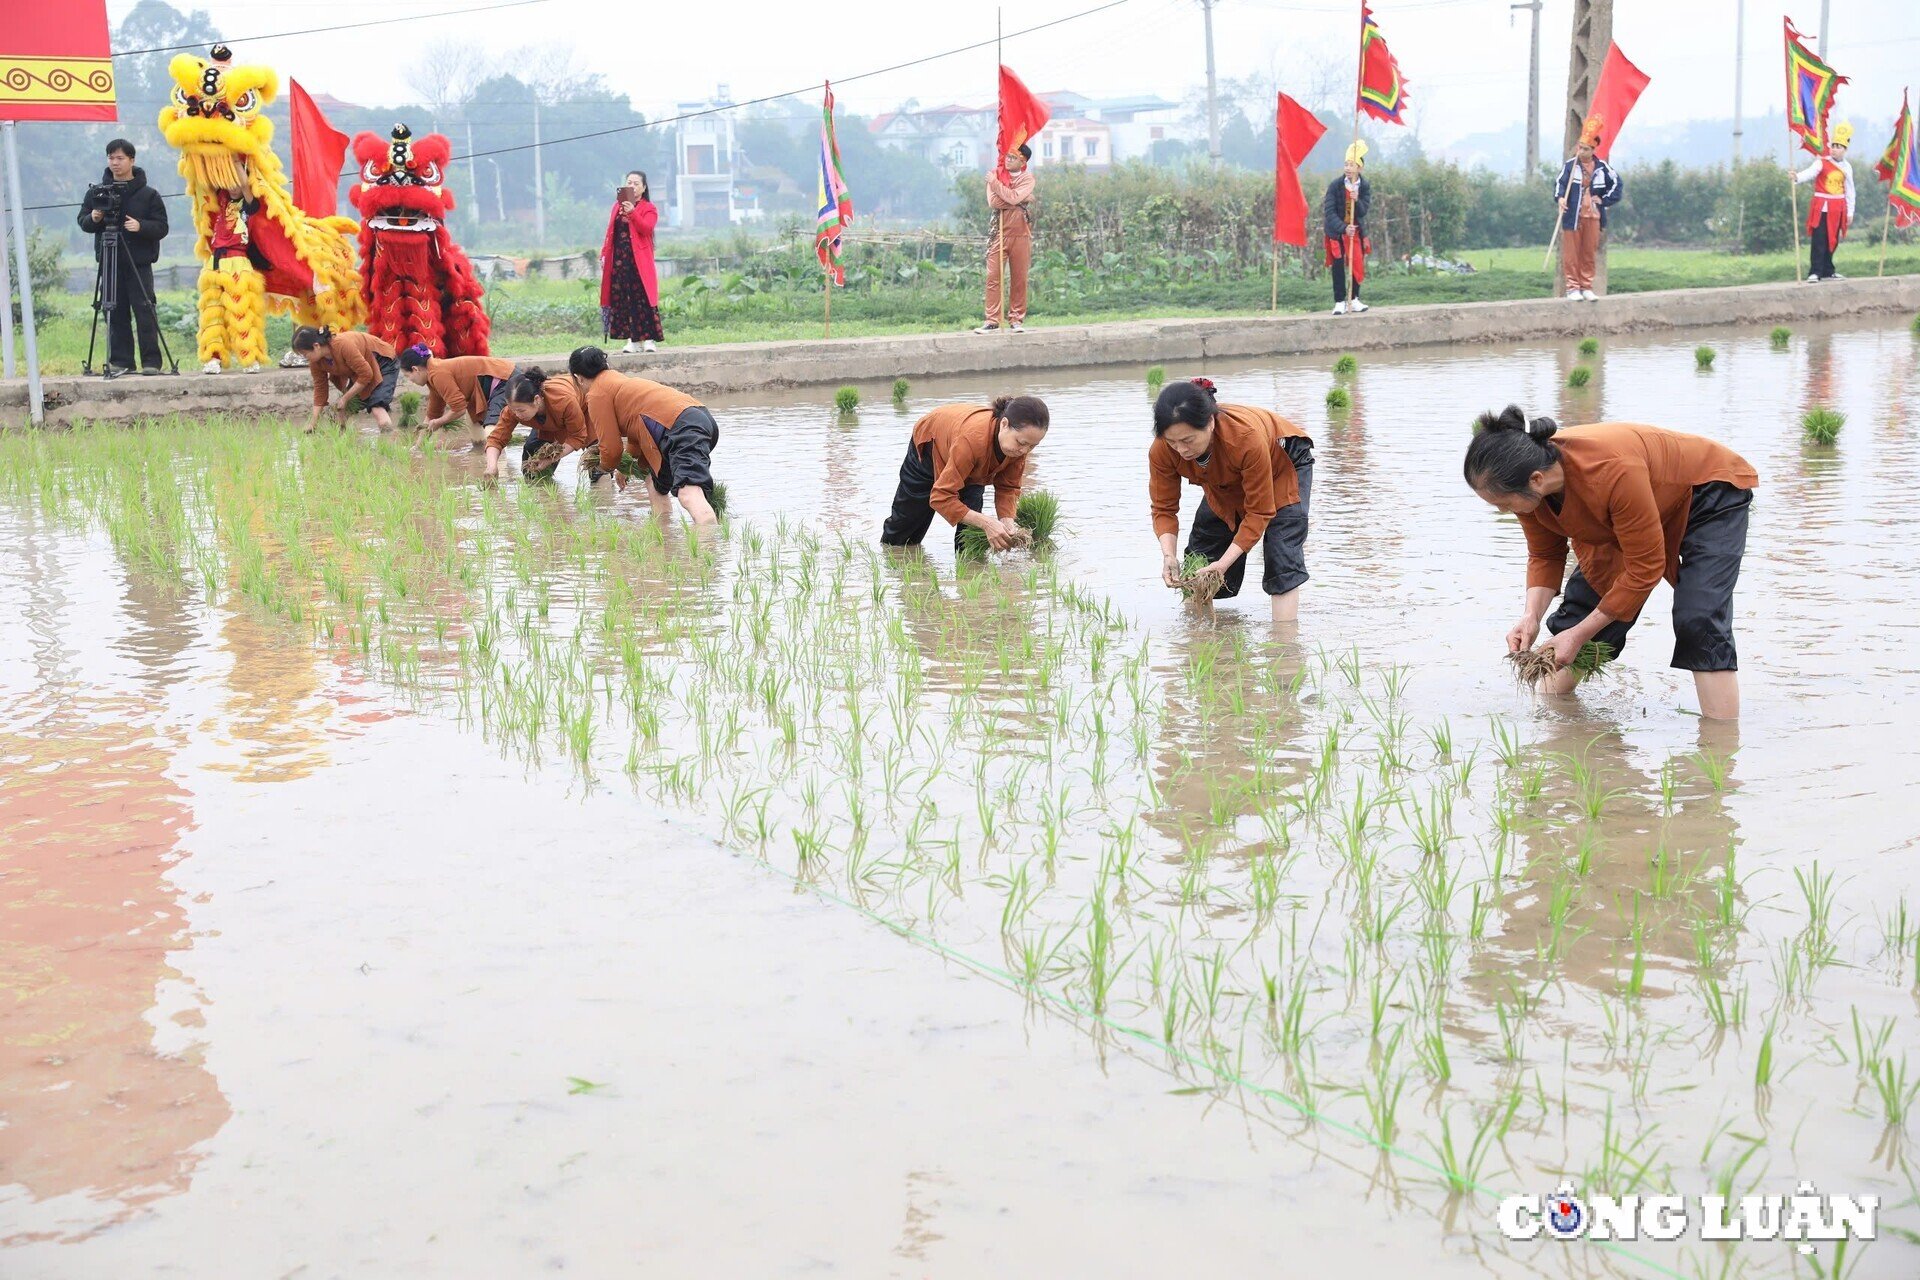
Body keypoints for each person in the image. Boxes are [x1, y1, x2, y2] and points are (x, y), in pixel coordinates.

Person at [1463, 406, 1758, 720]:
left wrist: (1579, 634)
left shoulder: (1612, 470)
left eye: (1503, 504)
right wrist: (1531, 616)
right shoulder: (1529, 487)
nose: (1503, 511)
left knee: (1699, 615)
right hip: (1630, 509)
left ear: (1535, 480)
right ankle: (1555, 725)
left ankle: (1721, 748)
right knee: (1580, 612)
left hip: (1707, 492)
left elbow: (1646, 568)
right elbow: (1545, 555)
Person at [1149, 378, 1314, 623]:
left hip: (1282, 462)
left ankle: (1285, 648)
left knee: (1282, 551)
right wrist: (1168, 556)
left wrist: (1223, 564)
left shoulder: (1244, 438)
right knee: (1202, 551)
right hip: (1225, 476)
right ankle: (1199, 641)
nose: (1181, 450)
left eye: (1187, 440)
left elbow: (1258, 513)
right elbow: (1164, 508)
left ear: (1210, 423)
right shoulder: (1163, 450)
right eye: (1173, 442)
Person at [566, 345, 720, 525]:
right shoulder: (618, 381)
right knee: (654, 482)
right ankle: (665, 533)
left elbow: (611, 449)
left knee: (687, 493)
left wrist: (603, 468)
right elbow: (637, 427)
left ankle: (710, 544)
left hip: (678, 427)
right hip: (699, 416)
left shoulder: (597, 393)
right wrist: (626, 466)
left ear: (578, 378)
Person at [880, 396, 1050, 550]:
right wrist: (987, 523)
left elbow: (1008, 487)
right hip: (930, 446)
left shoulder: (1017, 448)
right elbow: (940, 497)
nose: (1025, 450)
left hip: (973, 465)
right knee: (905, 529)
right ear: (1004, 424)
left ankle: (968, 576)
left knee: (970, 537)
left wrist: (1007, 520)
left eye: (1032, 446)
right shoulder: (971, 440)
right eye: (1022, 443)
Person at [76, 138, 169, 377]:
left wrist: (141, 226)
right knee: (113, 312)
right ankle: (122, 361)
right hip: (109, 261)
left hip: (139, 262)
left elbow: (161, 227)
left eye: (120, 158)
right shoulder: (97, 192)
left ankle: (151, 362)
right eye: (111, 158)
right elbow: (83, 222)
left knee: (145, 310)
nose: (115, 163)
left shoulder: (149, 195)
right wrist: (95, 218)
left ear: (131, 160)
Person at [1554, 116, 1624, 301]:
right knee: (1571, 254)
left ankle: (1586, 286)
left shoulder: (1602, 168)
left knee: (1588, 253)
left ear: (1593, 150)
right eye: (1580, 147)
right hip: (1573, 216)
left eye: (1585, 148)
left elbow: (1617, 185)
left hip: (1593, 215)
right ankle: (1572, 287)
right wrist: (1561, 198)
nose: (1581, 151)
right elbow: (1560, 184)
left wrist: (1603, 200)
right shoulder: (1570, 166)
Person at [487, 367, 591, 480]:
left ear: (537, 400)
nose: (516, 414)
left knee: (596, 463)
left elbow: (577, 436)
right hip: (549, 420)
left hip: (586, 409)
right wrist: (491, 467)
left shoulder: (564, 401)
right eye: (513, 409)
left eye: (521, 410)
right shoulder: (514, 409)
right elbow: (496, 438)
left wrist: (550, 459)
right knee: (531, 467)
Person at [974, 144, 1034, 335]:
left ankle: (1016, 319)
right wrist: (1019, 198)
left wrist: (1003, 190)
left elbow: (1014, 198)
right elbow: (994, 202)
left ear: (1023, 161)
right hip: (999, 233)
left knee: (1019, 278)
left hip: (1021, 234)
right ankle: (992, 320)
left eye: (1013, 158)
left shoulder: (1028, 179)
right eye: (1007, 156)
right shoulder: (996, 174)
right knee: (993, 277)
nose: (1007, 160)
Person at [601, 170, 663, 353]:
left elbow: (646, 229)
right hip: (620, 262)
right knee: (624, 301)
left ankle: (649, 339)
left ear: (643, 188)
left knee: (643, 299)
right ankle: (632, 340)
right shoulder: (616, 207)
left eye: (636, 183)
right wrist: (604, 254)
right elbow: (610, 233)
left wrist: (633, 212)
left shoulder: (649, 208)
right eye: (629, 182)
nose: (633, 186)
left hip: (640, 263)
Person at [293, 327, 397, 431]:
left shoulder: (343, 345)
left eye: (305, 354)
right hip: (360, 369)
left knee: (377, 407)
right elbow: (320, 390)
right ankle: (343, 436)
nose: (305, 359)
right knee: (342, 410)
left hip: (382, 360)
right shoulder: (315, 362)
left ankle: (389, 440)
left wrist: (345, 398)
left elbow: (366, 375)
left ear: (316, 346)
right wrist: (313, 423)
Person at [399, 346, 518, 432]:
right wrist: (417, 448)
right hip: (495, 381)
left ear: (415, 369)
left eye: (407, 376)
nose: (409, 380)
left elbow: (459, 409)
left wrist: (439, 422)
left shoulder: (437, 373)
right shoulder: (433, 377)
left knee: (491, 429)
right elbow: (432, 416)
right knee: (475, 431)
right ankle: (482, 458)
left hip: (504, 378)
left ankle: (497, 465)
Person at [1793, 123, 1855, 282]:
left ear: (1845, 149)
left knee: (1832, 239)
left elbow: (1850, 190)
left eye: (1839, 147)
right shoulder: (1822, 162)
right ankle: (1815, 271)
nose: (1834, 149)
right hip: (1822, 206)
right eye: (1833, 146)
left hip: (1838, 208)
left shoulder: (1847, 167)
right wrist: (1797, 177)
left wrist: (1850, 212)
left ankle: (1828, 270)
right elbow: (1810, 173)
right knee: (1819, 239)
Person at [1322, 141, 1371, 316]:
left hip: (1355, 231)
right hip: (1336, 232)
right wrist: (1343, 228)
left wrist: (1356, 200)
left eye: (1352, 165)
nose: (1348, 168)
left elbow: (1363, 211)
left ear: (1360, 168)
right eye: (1346, 164)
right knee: (1337, 264)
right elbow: (1329, 211)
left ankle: (1355, 299)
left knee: (1356, 262)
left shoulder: (1364, 186)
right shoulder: (1335, 186)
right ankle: (1339, 301)